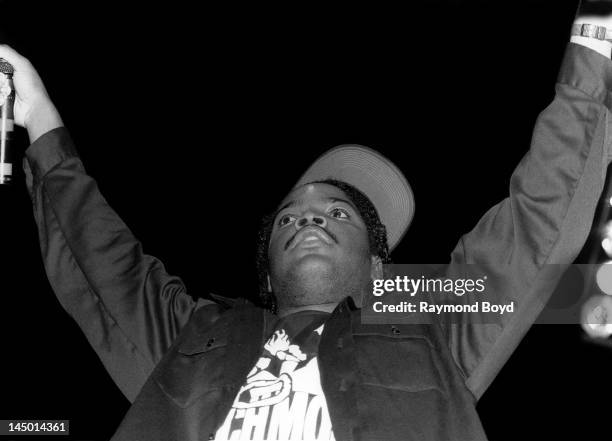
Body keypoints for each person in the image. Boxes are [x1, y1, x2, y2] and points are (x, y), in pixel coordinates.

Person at [3, 3, 612, 440]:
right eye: (290, 215)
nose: (309, 216)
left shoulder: (429, 325)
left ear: (380, 268)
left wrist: (596, 39)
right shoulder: (192, 337)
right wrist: (38, 114)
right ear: (266, 271)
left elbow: (536, 227)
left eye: (338, 212)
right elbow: (102, 264)